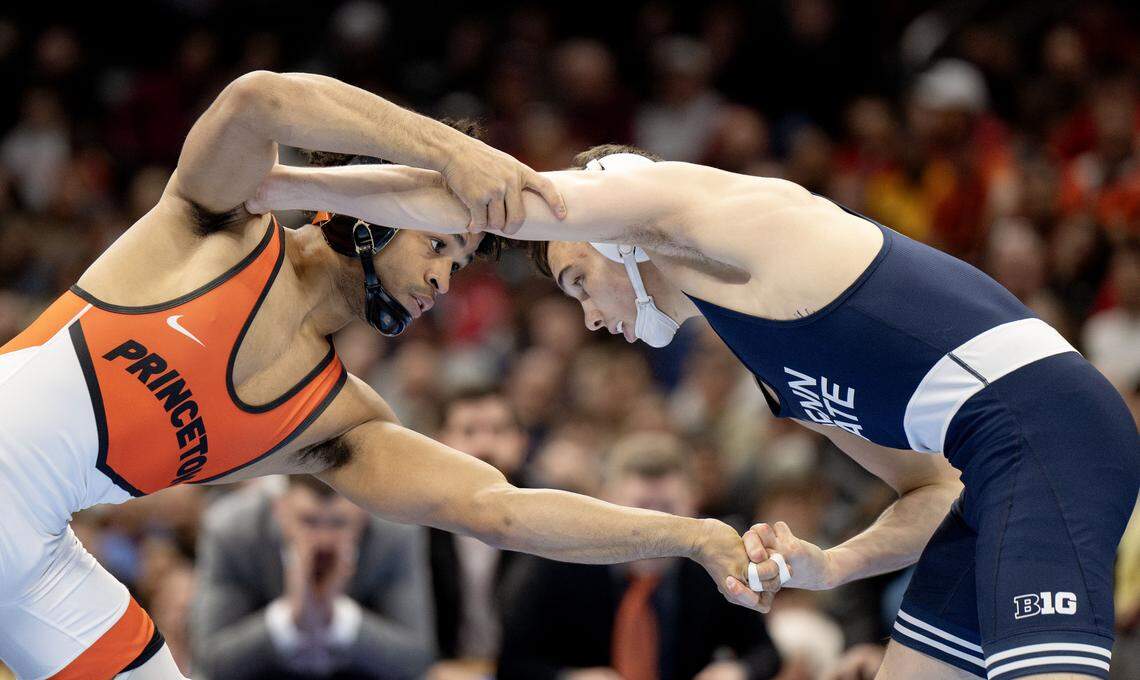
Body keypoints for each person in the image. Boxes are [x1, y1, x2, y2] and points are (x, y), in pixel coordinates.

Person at [271, 144, 1140, 679]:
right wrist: (829, 566)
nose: (590, 318)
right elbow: (937, 491)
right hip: (996, 466)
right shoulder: (760, 352)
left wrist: (276, 184)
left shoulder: (717, 214)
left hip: (1049, 432)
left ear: (621, 226)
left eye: (580, 280)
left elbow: (477, 193)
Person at [0, 71, 759, 680]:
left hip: (38, 551)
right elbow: (258, 100)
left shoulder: (334, 422)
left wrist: (686, 535)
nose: (444, 284)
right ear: (375, 212)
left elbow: (499, 508)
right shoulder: (218, 221)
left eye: (459, 266)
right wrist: (449, 152)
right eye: (439, 248)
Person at [498, 431, 782, 680]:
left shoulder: (719, 560)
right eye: (642, 509)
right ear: (606, 503)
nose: (658, 527)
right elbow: (513, 663)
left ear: (694, 501)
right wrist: (570, 677)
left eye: (669, 509)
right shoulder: (561, 558)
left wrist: (738, 671)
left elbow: (764, 652)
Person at [191, 475, 434, 680]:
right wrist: (291, 616)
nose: (323, 541)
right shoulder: (232, 531)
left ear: (364, 513)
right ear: (280, 509)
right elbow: (210, 662)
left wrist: (336, 616)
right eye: (309, 521)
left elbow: (415, 660)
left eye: (338, 523)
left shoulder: (395, 532)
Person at [426, 388, 527, 680]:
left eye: (498, 430)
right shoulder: (411, 520)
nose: (484, 444)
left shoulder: (558, 512)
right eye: (468, 431)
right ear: (438, 442)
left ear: (522, 441)